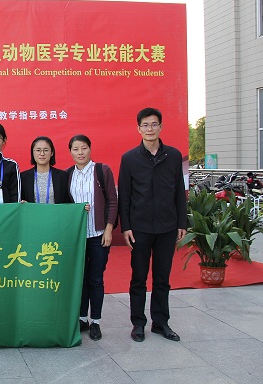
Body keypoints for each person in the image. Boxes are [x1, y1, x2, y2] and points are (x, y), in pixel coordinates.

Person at [118, 108, 187, 343]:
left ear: (161, 127)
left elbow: (179, 192)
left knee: (162, 278)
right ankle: (138, 323)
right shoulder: (129, 158)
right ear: (138, 129)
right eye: (145, 125)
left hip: (168, 227)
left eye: (154, 124)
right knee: (138, 277)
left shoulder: (173, 156)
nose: (150, 129)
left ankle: (160, 322)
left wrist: (181, 222)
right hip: (140, 228)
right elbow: (125, 195)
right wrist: (126, 226)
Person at [66, 135, 118, 341]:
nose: (80, 152)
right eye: (76, 149)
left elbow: (113, 201)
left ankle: (95, 321)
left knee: (96, 279)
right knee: (81, 279)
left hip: (98, 235)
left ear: (90, 149)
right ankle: (82, 319)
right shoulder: (68, 174)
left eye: (84, 148)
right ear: (70, 152)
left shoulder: (102, 171)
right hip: (77, 237)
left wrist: (108, 229)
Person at [20, 136, 72, 204]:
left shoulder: (63, 176)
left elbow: (68, 202)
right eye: (38, 150)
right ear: (32, 153)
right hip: (32, 211)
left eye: (46, 150)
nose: (42, 154)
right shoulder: (23, 177)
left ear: (52, 153)